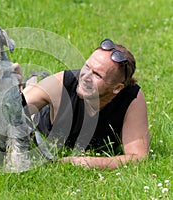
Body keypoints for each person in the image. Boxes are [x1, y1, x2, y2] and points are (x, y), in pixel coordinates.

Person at [13, 38, 150, 169]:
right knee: (23, 103)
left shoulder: (131, 98)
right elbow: (9, 113)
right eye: (86, 66)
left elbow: (138, 157)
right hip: (42, 118)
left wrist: (83, 161)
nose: (85, 76)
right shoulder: (63, 83)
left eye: (97, 75)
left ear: (117, 88)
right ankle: (21, 84)